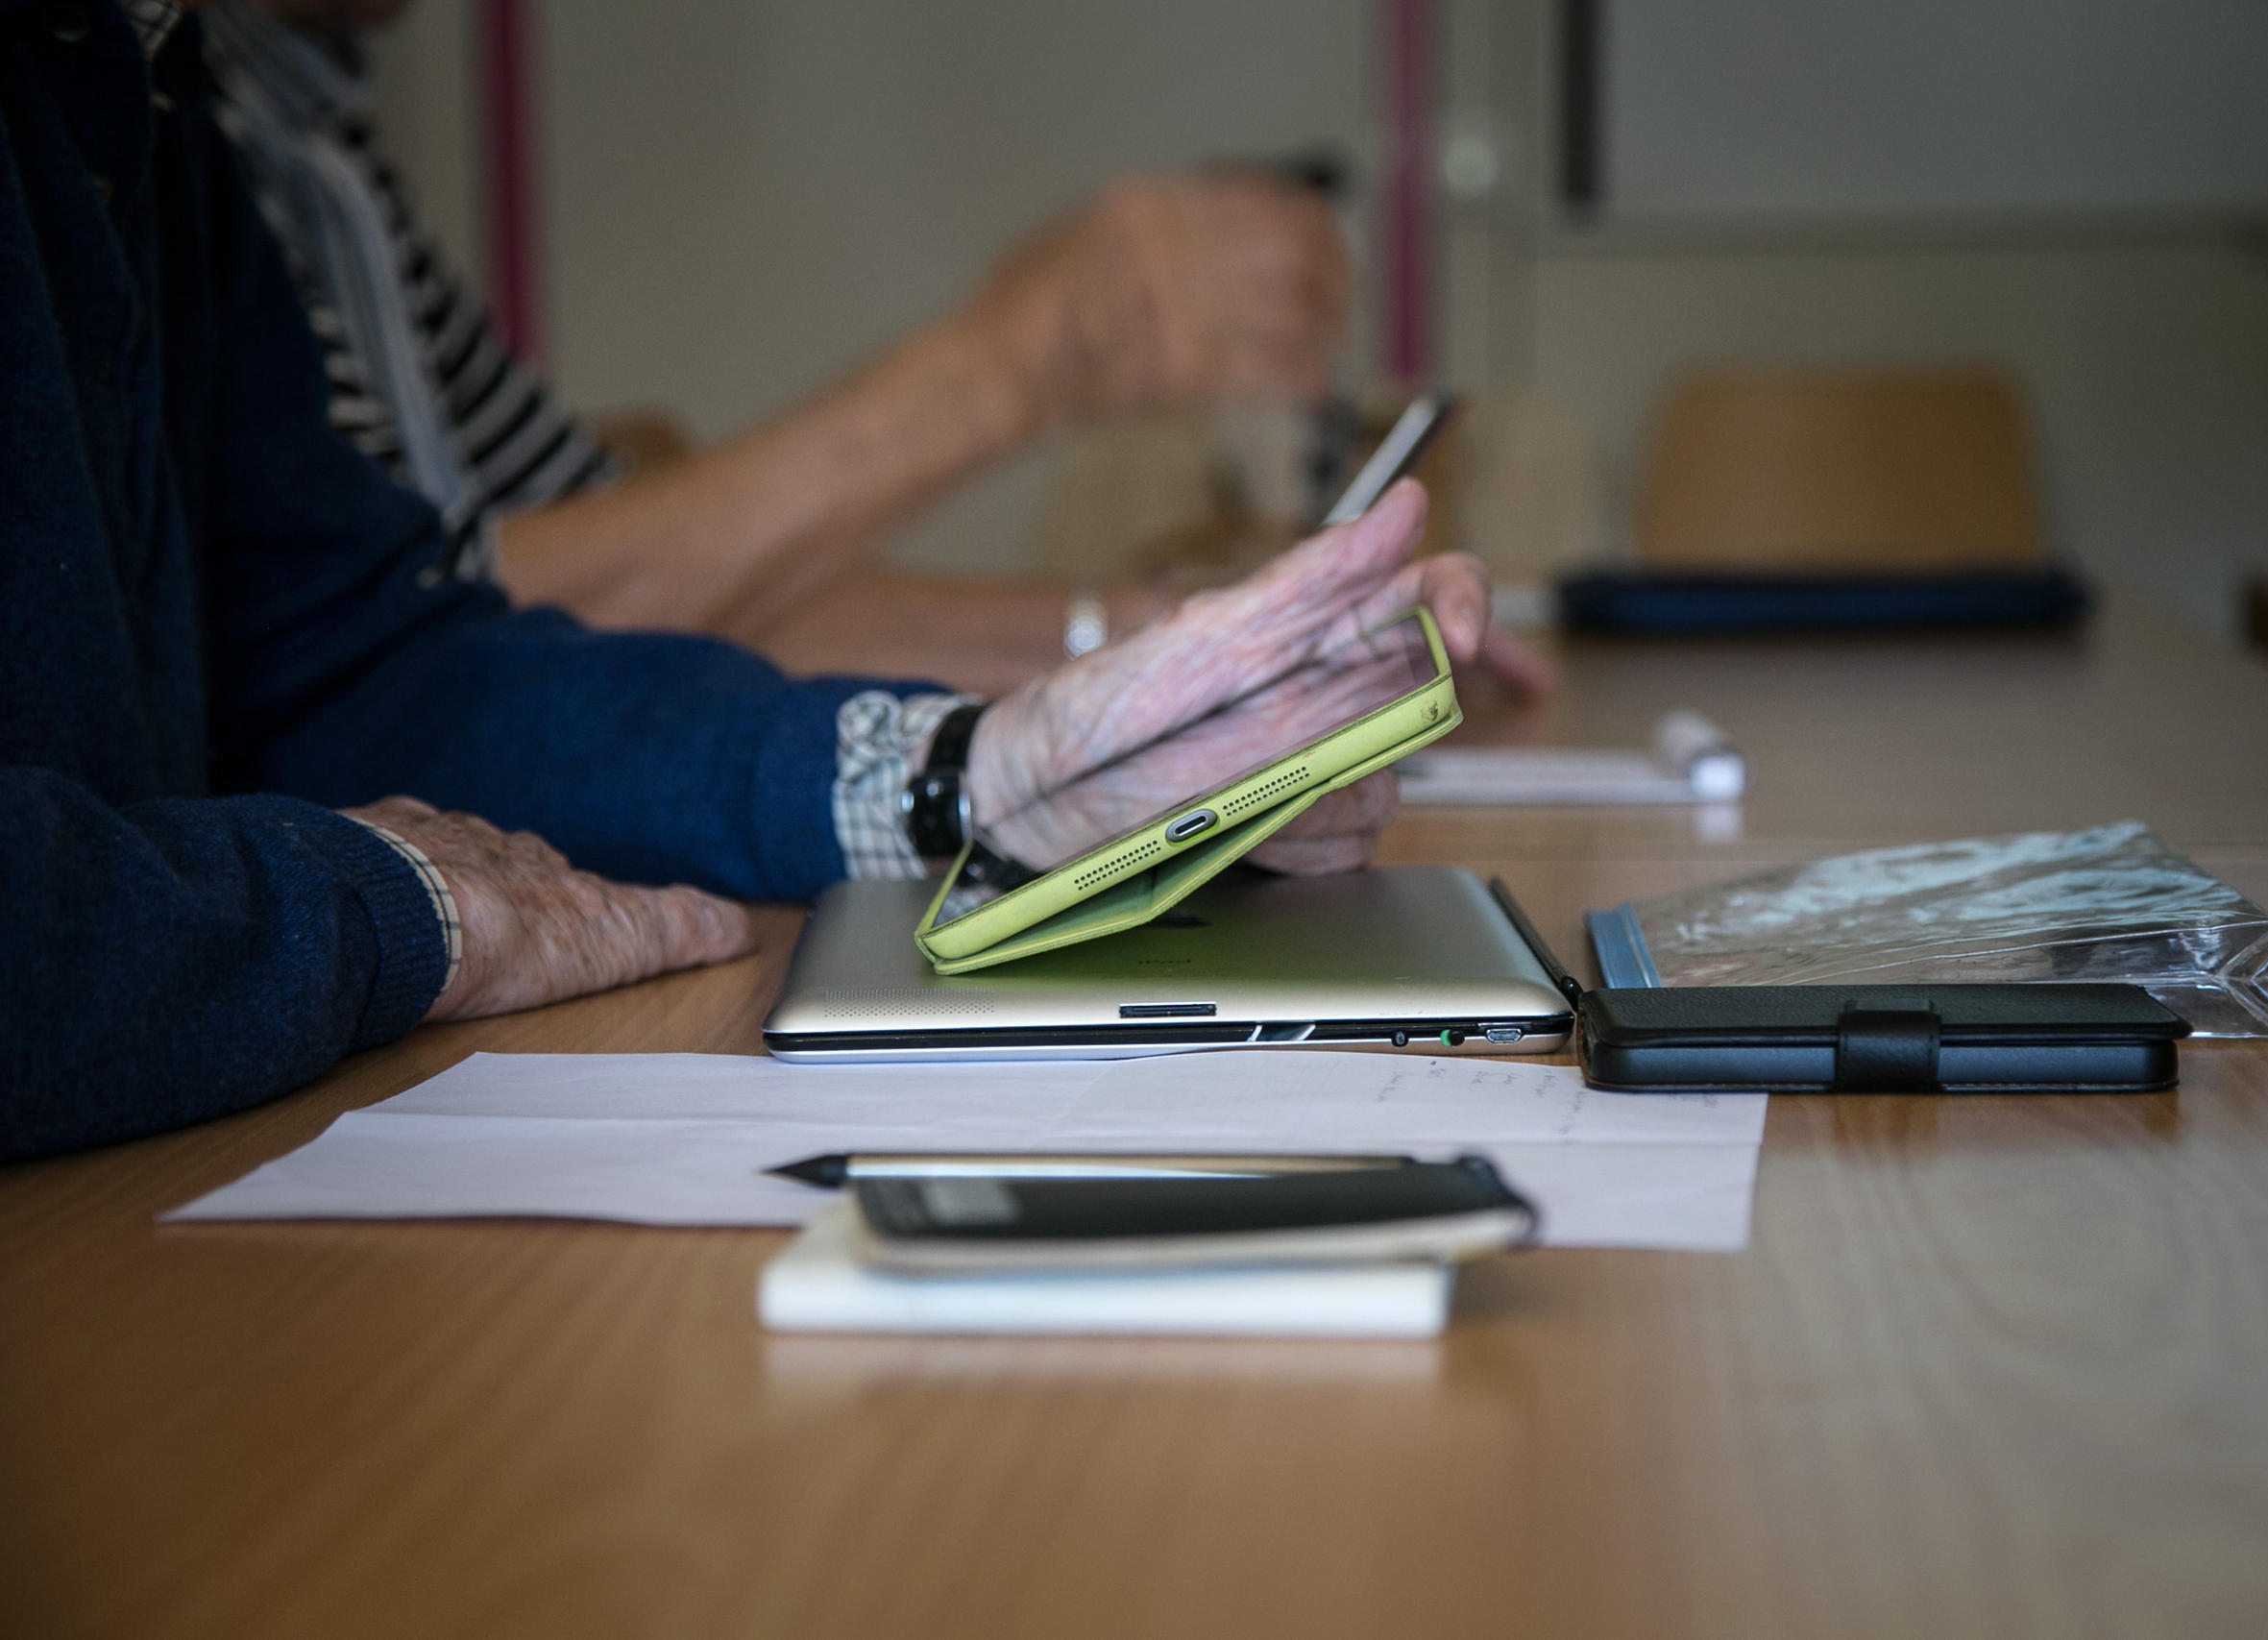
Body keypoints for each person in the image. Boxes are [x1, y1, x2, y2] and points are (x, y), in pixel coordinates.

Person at [0, 0, 1496, 1160]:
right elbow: (540, 586)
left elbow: (353, 656)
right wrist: (370, 905)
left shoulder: (144, 89)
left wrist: (977, 769)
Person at [196, 0, 1399, 693]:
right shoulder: (168, 140)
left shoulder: (318, 155)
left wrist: (1154, 630)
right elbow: (380, 645)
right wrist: (1007, 366)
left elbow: (670, 589)